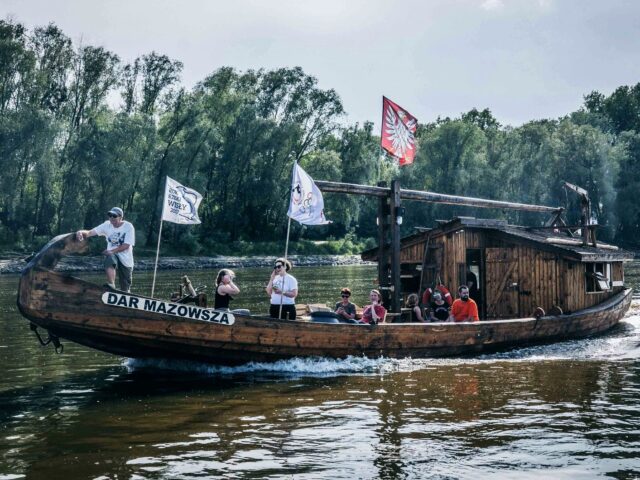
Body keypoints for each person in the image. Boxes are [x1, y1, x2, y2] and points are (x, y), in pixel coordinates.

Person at [76, 207, 135, 292]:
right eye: (110, 215)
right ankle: (111, 285)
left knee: (125, 287)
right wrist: (80, 232)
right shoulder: (106, 225)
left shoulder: (128, 227)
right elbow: (90, 232)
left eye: (114, 216)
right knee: (110, 258)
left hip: (126, 259)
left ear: (120, 217)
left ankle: (125, 297)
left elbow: (126, 245)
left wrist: (112, 251)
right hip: (112, 254)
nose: (111, 218)